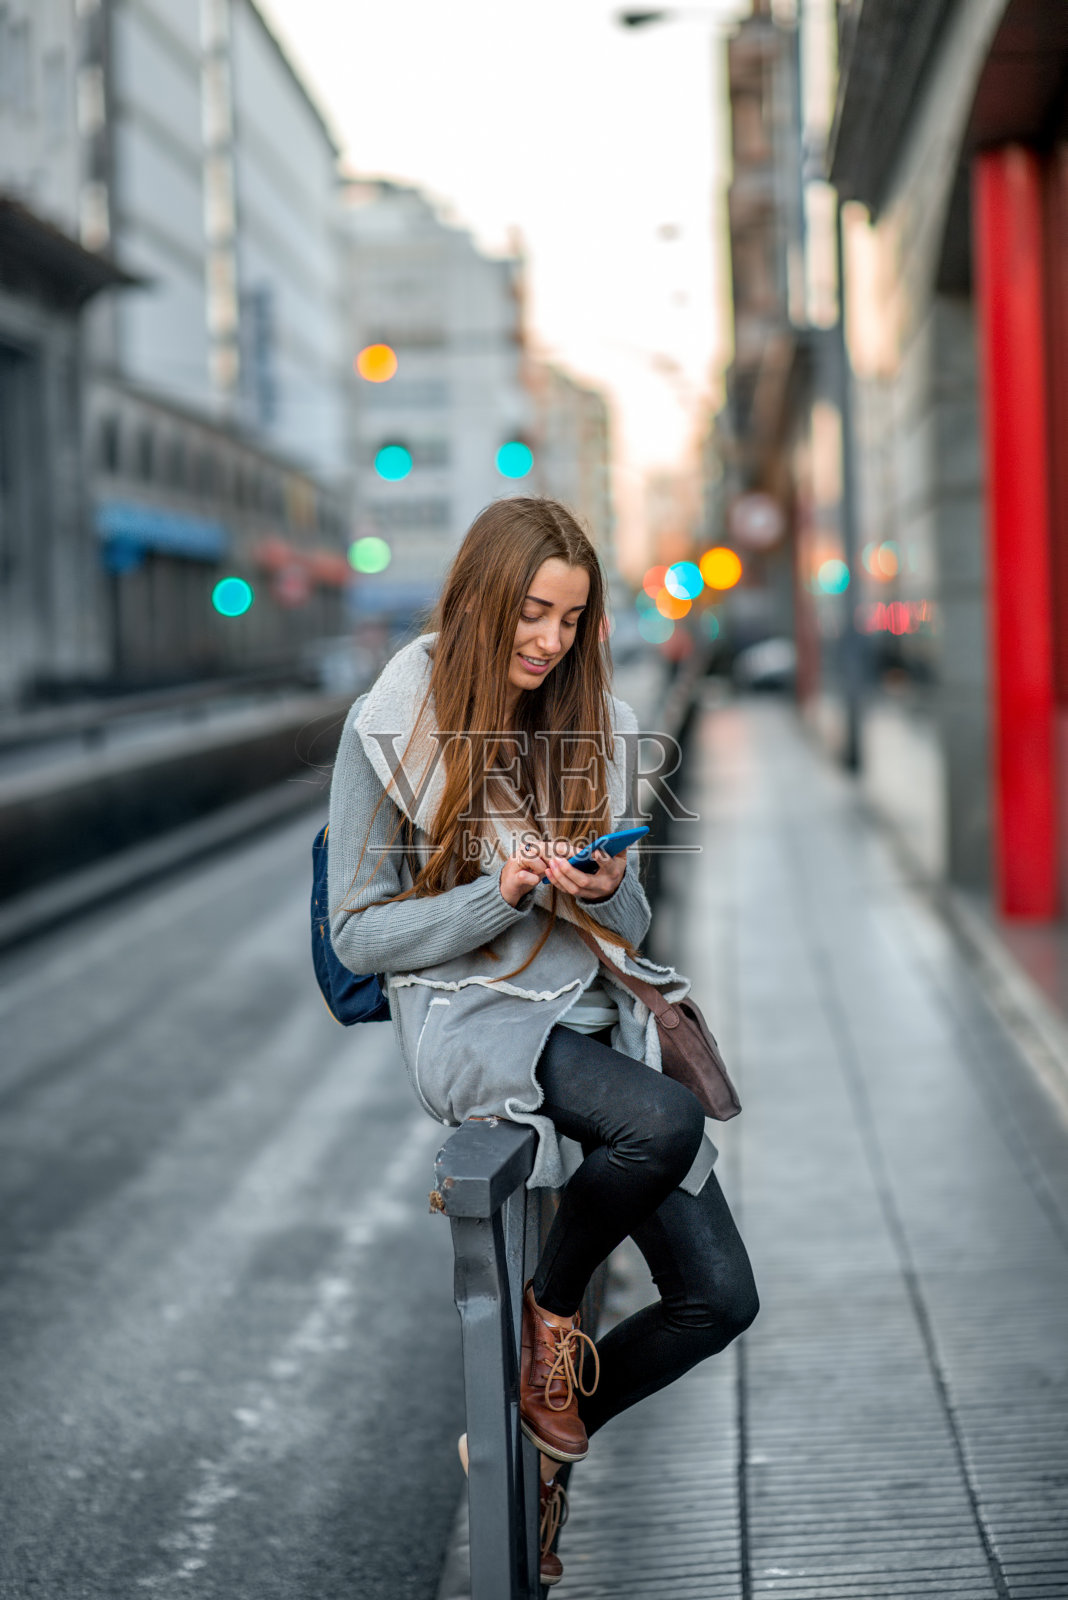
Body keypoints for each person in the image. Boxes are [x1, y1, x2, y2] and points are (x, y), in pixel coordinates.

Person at [327, 496, 758, 1587]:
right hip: (469, 1013)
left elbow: (633, 925)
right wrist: (494, 895)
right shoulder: (390, 726)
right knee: (660, 1119)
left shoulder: (593, 722)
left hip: (590, 1012)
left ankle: (535, 1430)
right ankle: (549, 1316)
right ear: (477, 597)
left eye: (570, 619)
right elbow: (357, 932)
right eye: (531, 613)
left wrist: (609, 890)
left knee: (721, 1298)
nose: (549, 641)